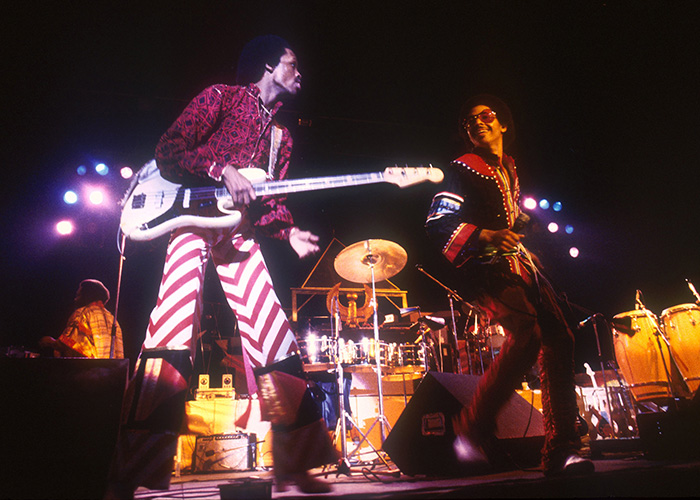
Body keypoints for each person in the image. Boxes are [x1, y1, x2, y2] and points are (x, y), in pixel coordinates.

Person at [107, 35, 336, 498]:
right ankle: (130, 470)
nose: (300, 72)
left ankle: (294, 461)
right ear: (270, 65)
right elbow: (169, 150)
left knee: (273, 334)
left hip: (237, 233)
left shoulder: (281, 139)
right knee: (169, 333)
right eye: (293, 63)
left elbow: (269, 204)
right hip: (191, 221)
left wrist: (287, 232)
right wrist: (221, 169)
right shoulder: (221, 97)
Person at [424, 94, 594, 476]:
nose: (477, 123)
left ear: (503, 124)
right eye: (469, 122)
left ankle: (562, 449)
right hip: (484, 271)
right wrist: (485, 236)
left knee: (560, 337)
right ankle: (471, 428)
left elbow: (510, 224)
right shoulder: (461, 169)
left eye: (485, 116)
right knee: (527, 332)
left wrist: (521, 235)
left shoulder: (510, 169)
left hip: (517, 266)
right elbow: (438, 223)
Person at [40, 279, 124, 359]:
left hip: (90, 371)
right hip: (111, 371)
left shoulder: (82, 313)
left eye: (78, 295)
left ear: (87, 295)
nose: (75, 299)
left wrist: (50, 342)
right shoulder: (113, 319)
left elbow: (67, 343)